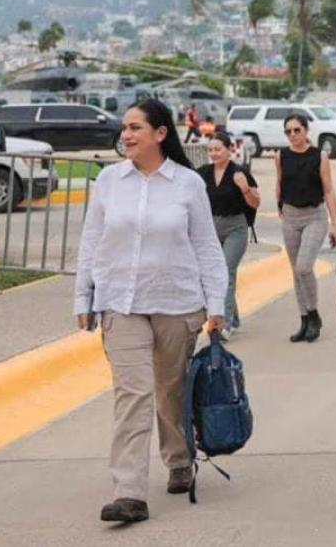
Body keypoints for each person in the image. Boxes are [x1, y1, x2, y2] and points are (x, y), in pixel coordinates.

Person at [73, 99, 227, 523]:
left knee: (169, 390)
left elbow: (206, 247)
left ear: (160, 134)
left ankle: (179, 459)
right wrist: (82, 297)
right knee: (133, 394)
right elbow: (92, 241)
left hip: (177, 302)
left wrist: (217, 304)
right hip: (120, 303)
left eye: (136, 127)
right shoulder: (109, 180)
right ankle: (129, 491)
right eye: (125, 128)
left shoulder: (187, 184)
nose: (126, 135)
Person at [276, 114, 336, 343]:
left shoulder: (319, 156)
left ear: (306, 131)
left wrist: (335, 223)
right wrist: (280, 208)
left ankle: (314, 314)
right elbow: (279, 182)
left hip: (314, 216)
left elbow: (329, 190)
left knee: (304, 267)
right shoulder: (281, 156)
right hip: (290, 217)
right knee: (296, 272)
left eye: (296, 130)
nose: (293, 135)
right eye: (288, 131)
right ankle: (304, 320)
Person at [199, 132, 260, 339]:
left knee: (226, 271)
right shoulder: (203, 173)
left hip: (236, 227)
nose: (214, 153)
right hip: (211, 227)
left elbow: (255, 203)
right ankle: (233, 318)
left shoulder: (239, 172)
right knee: (215, 273)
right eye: (211, 150)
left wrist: (244, 188)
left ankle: (223, 323)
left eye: (218, 149)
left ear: (229, 149)